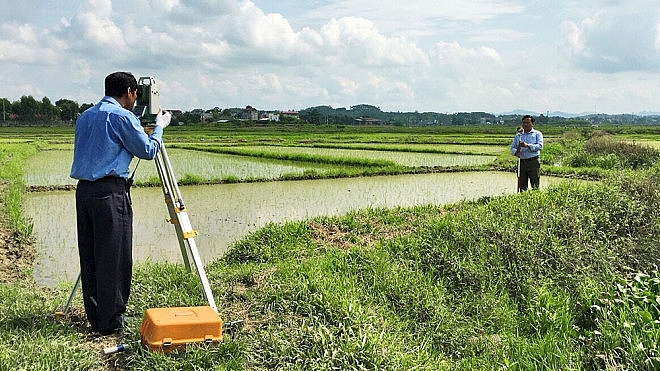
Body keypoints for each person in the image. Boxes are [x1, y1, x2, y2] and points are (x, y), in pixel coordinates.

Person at [70, 72, 171, 335]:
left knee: (91, 255)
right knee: (114, 257)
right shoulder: (122, 117)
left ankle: (97, 317)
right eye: (136, 93)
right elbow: (148, 151)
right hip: (110, 193)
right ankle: (112, 322)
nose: (137, 98)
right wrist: (159, 126)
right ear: (128, 91)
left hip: (84, 193)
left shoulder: (85, 116)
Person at [510, 115, 543, 191]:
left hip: (533, 161)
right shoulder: (518, 135)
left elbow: (540, 146)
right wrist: (517, 150)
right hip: (521, 162)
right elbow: (512, 148)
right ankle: (522, 199)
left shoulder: (537, 134)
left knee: (535, 183)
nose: (525, 124)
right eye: (524, 123)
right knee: (522, 184)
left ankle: (535, 199)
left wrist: (528, 146)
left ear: (532, 124)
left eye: (528, 122)